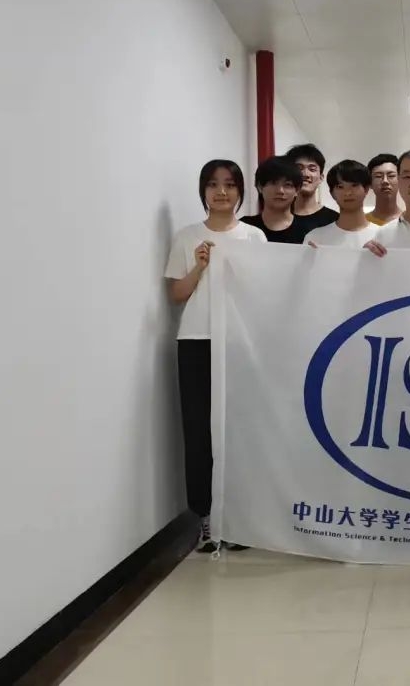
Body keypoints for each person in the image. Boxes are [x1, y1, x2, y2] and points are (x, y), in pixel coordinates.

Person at [164, 160, 265, 553]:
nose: (221, 192)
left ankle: (238, 518)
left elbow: (264, 291)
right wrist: (199, 267)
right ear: (203, 191)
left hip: (238, 341)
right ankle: (205, 518)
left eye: (229, 184)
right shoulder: (187, 236)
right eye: (212, 184)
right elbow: (176, 294)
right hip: (196, 340)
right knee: (198, 431)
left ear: (240, 191)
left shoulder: (253, 236)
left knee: (238, 429)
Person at [307, 160, 379, 248]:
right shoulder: (315, 238)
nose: (348, 193)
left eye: (354, 185)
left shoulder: (382, 236)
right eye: (340, 187)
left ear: (366, 189)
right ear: (332, 193)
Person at [240, 156, 313, 243]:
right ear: (260, 187)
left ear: (297, 190)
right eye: (273, 183)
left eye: (287, 185)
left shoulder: (309, 232)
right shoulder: (243, 227)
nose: (280, 191)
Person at [286, 143, 339, 231]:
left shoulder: (334, 220)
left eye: (312, 169)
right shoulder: (277, 217)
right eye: (299, 168)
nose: (305, 174)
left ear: (321, 177)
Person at [366, 153, 402, 226]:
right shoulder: (361, 222)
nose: (385, 181)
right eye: (378, 176)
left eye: (391, 176)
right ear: (370, 183)